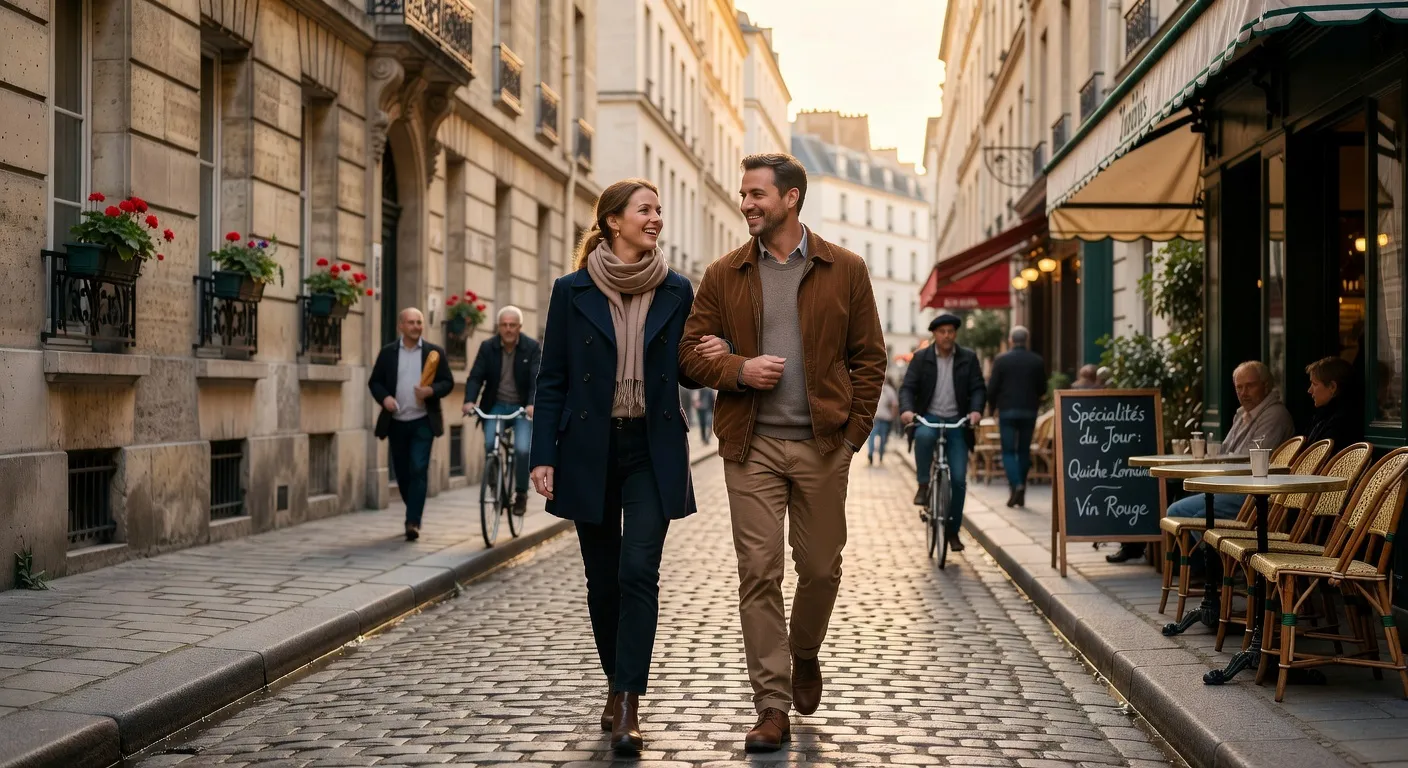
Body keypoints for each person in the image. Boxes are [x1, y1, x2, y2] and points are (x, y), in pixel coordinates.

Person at [679, 153, 885, 752]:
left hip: (824, 443)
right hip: (752, 446)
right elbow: (689, 356)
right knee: (758, 571)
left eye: (756, 195)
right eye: (743, 195)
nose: (746, 204)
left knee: (820, 568)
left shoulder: (845, 269)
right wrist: (739, 368)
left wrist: (851, 439)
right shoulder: (724, 274)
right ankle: (771, 705)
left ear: (790, 198)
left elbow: (869, 358)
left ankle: (804, 652)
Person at [529, 178, 726, 756]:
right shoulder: (571, 291)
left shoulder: (677, 290)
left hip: (650, 446)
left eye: (659, 210)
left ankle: (628, 701)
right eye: (646, 210)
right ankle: (616, 685)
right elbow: (553, 380)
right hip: (588, 448)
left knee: (638, 570)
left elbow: (685, 370)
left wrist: (711, 356)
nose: (657, 218)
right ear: (614, 221)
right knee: (601, 578)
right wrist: (543, 455)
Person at [1113, 360, 1296, 563]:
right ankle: (1200, 566)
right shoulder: (1242, 414)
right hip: (1232, 486)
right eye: (1239, 387)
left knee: (1192, 513)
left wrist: (1213, 462)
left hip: (1251, 492)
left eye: (1250, 385)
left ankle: (1222, 568)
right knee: (1175, 505)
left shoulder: (1274, 415)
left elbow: (1248, 459)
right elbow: (1226, 451)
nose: (1244, 392)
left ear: (1266, 385)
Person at [900, 314, 985, 547]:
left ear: (955, 333)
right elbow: (907, 388)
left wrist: (976, 411)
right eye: (942, 331)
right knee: (924, 436)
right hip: (930, 416)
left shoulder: (968, 358)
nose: (947, 335)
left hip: (958, 420)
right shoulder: (920, 358)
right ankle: (924, 483)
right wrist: (907, 410)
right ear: (934, 334)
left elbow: (978, 388)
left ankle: (952, 532)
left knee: (958, 479)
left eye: (950, 331)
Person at [369, 308, 454, 541]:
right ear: (401, 326)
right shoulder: (388, 353)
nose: (416, 326)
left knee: (418, 468)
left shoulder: (434, 352)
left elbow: (448, 382)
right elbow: (374, 382)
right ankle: (412, 508)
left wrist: (431, 390)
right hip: (396, 421)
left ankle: (413, 520)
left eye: (419, 322)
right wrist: (385, 398)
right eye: (411, 322)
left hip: (423, 421)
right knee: (403, 473)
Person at [462, 306, 540, 514]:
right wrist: (469, 400)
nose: (508, 329)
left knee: (523, 450)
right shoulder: (488, 347)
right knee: (490, 445)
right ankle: (494, 485)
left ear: (519, 327)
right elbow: (476, 376)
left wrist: (532, 404)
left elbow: (536, 379)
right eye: (504, 325)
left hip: (522, 408)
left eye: (512, 325)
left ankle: (521, 493)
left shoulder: (531, 347)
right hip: (495, 405)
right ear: (498, 327)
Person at [986, 326, 1047, 507]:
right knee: (1023, 451)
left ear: (1011, 340)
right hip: (1029, 411)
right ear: (1026, 340)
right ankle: (1020, 490)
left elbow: (992, 389)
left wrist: (992, 409)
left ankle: (1016, 484)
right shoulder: (1037, 360)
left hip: (1007, 411)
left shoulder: (1001, 360)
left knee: (1008, 451)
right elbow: (1043, 388)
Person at [1305, 356, 1363, 448]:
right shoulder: (1323, 416)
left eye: (1315, 384)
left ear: (1332, 387)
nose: (1309, 390)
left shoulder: (1341, 422)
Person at [869, 378, 899, 464]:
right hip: (885, 418)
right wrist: (893, 417)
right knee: (883, 438)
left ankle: (871, 453)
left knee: (872, 436)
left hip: (875, 417)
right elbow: (895, 405)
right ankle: (881, 455)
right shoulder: (890, 390)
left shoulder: (874, 387)